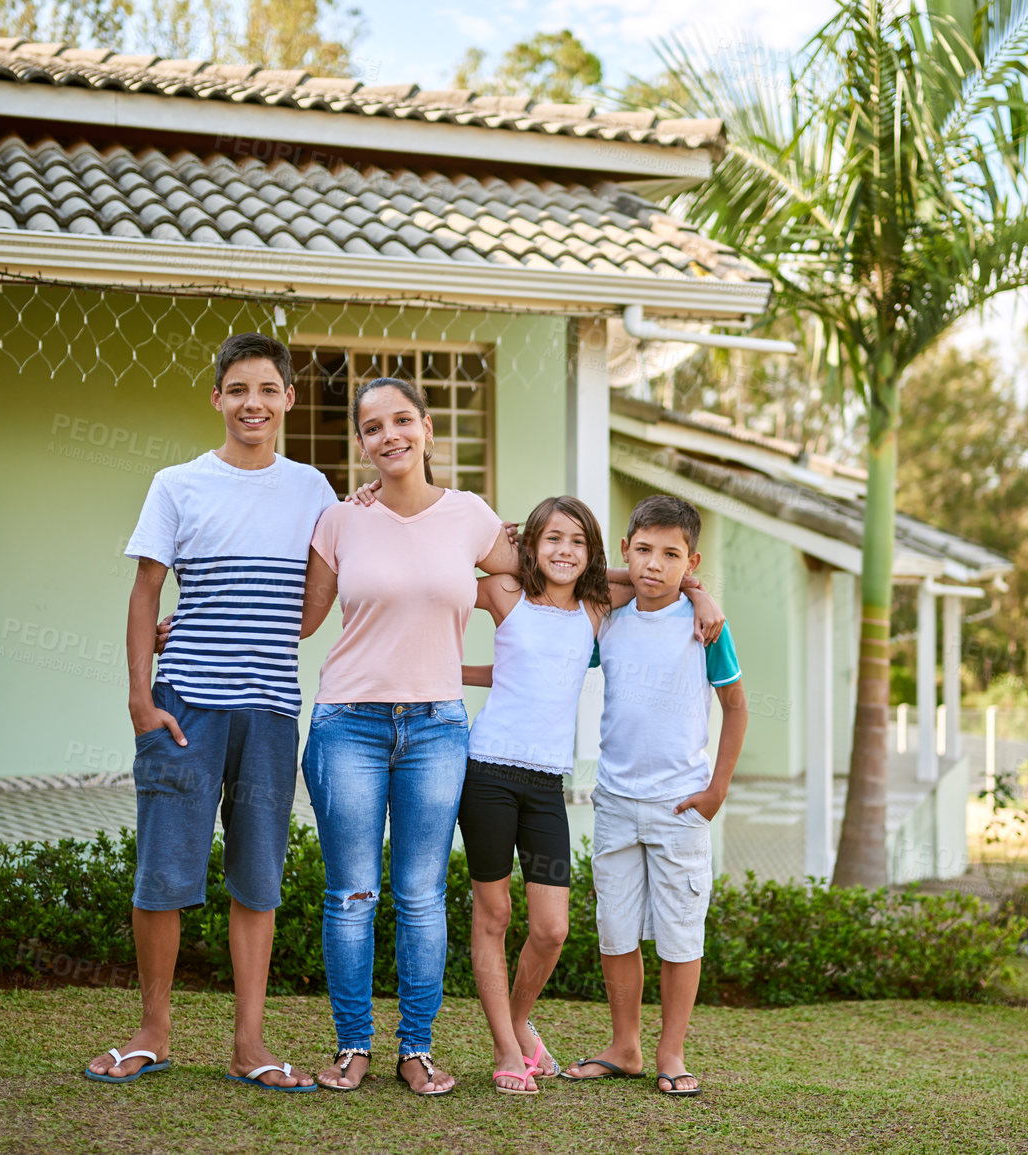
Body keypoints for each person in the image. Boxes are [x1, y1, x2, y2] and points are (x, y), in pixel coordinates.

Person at [85, 333, 332, 1092]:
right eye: (237, 389)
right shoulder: (177, 484)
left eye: (266, 389)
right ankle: (152, 1031)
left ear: (288, 398)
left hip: (269, 712)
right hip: (184, 706)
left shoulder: (314, 490)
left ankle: (248, 1044)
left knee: (257, 880)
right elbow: (145, 594)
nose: (251, 403)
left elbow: (318, 595)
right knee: (164, 873)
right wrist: (139, 697)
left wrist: (260, 629)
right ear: (217, 398)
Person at [455, 496, 723, 1095]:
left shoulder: (597, 607)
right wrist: (443, 664)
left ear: (594, 554)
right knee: (494, 915)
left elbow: (655, 575)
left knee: (552, 928)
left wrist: (700, 591)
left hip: (546, 783)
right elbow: (438, 582)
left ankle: (520, 1023)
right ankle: (506, 1049)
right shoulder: (504, 592)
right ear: (530, 545)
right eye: (551, 539)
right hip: (489, 773)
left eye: (577, 542)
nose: (564, 551)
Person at [297, 376, 520, 1097]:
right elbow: (301, 618)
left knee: (421, 895)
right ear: (361, 443)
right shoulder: (339, 520)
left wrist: (687, 593)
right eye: (372, 426)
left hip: (435, 727)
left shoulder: (471, 518)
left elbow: (552, 573)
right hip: (347, 724)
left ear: (426, 429)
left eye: (401, 420)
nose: (388, 434)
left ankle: (415, 1049)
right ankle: (353, 1046)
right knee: (352, 894)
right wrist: (198, 628)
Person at [561, 495, 748, 1097]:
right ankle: (626, 1046)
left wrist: (717, 788)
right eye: (643, 550)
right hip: (615, 801)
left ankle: (671, 1052)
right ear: (624, 550)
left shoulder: (705, 627)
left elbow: (736, 707)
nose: (654, 565)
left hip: (680, 806)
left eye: (672, 556)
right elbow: (584, 577)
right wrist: (698, 585)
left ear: (690, 560)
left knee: (679, 935)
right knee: (615, 931)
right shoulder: (607, 620)